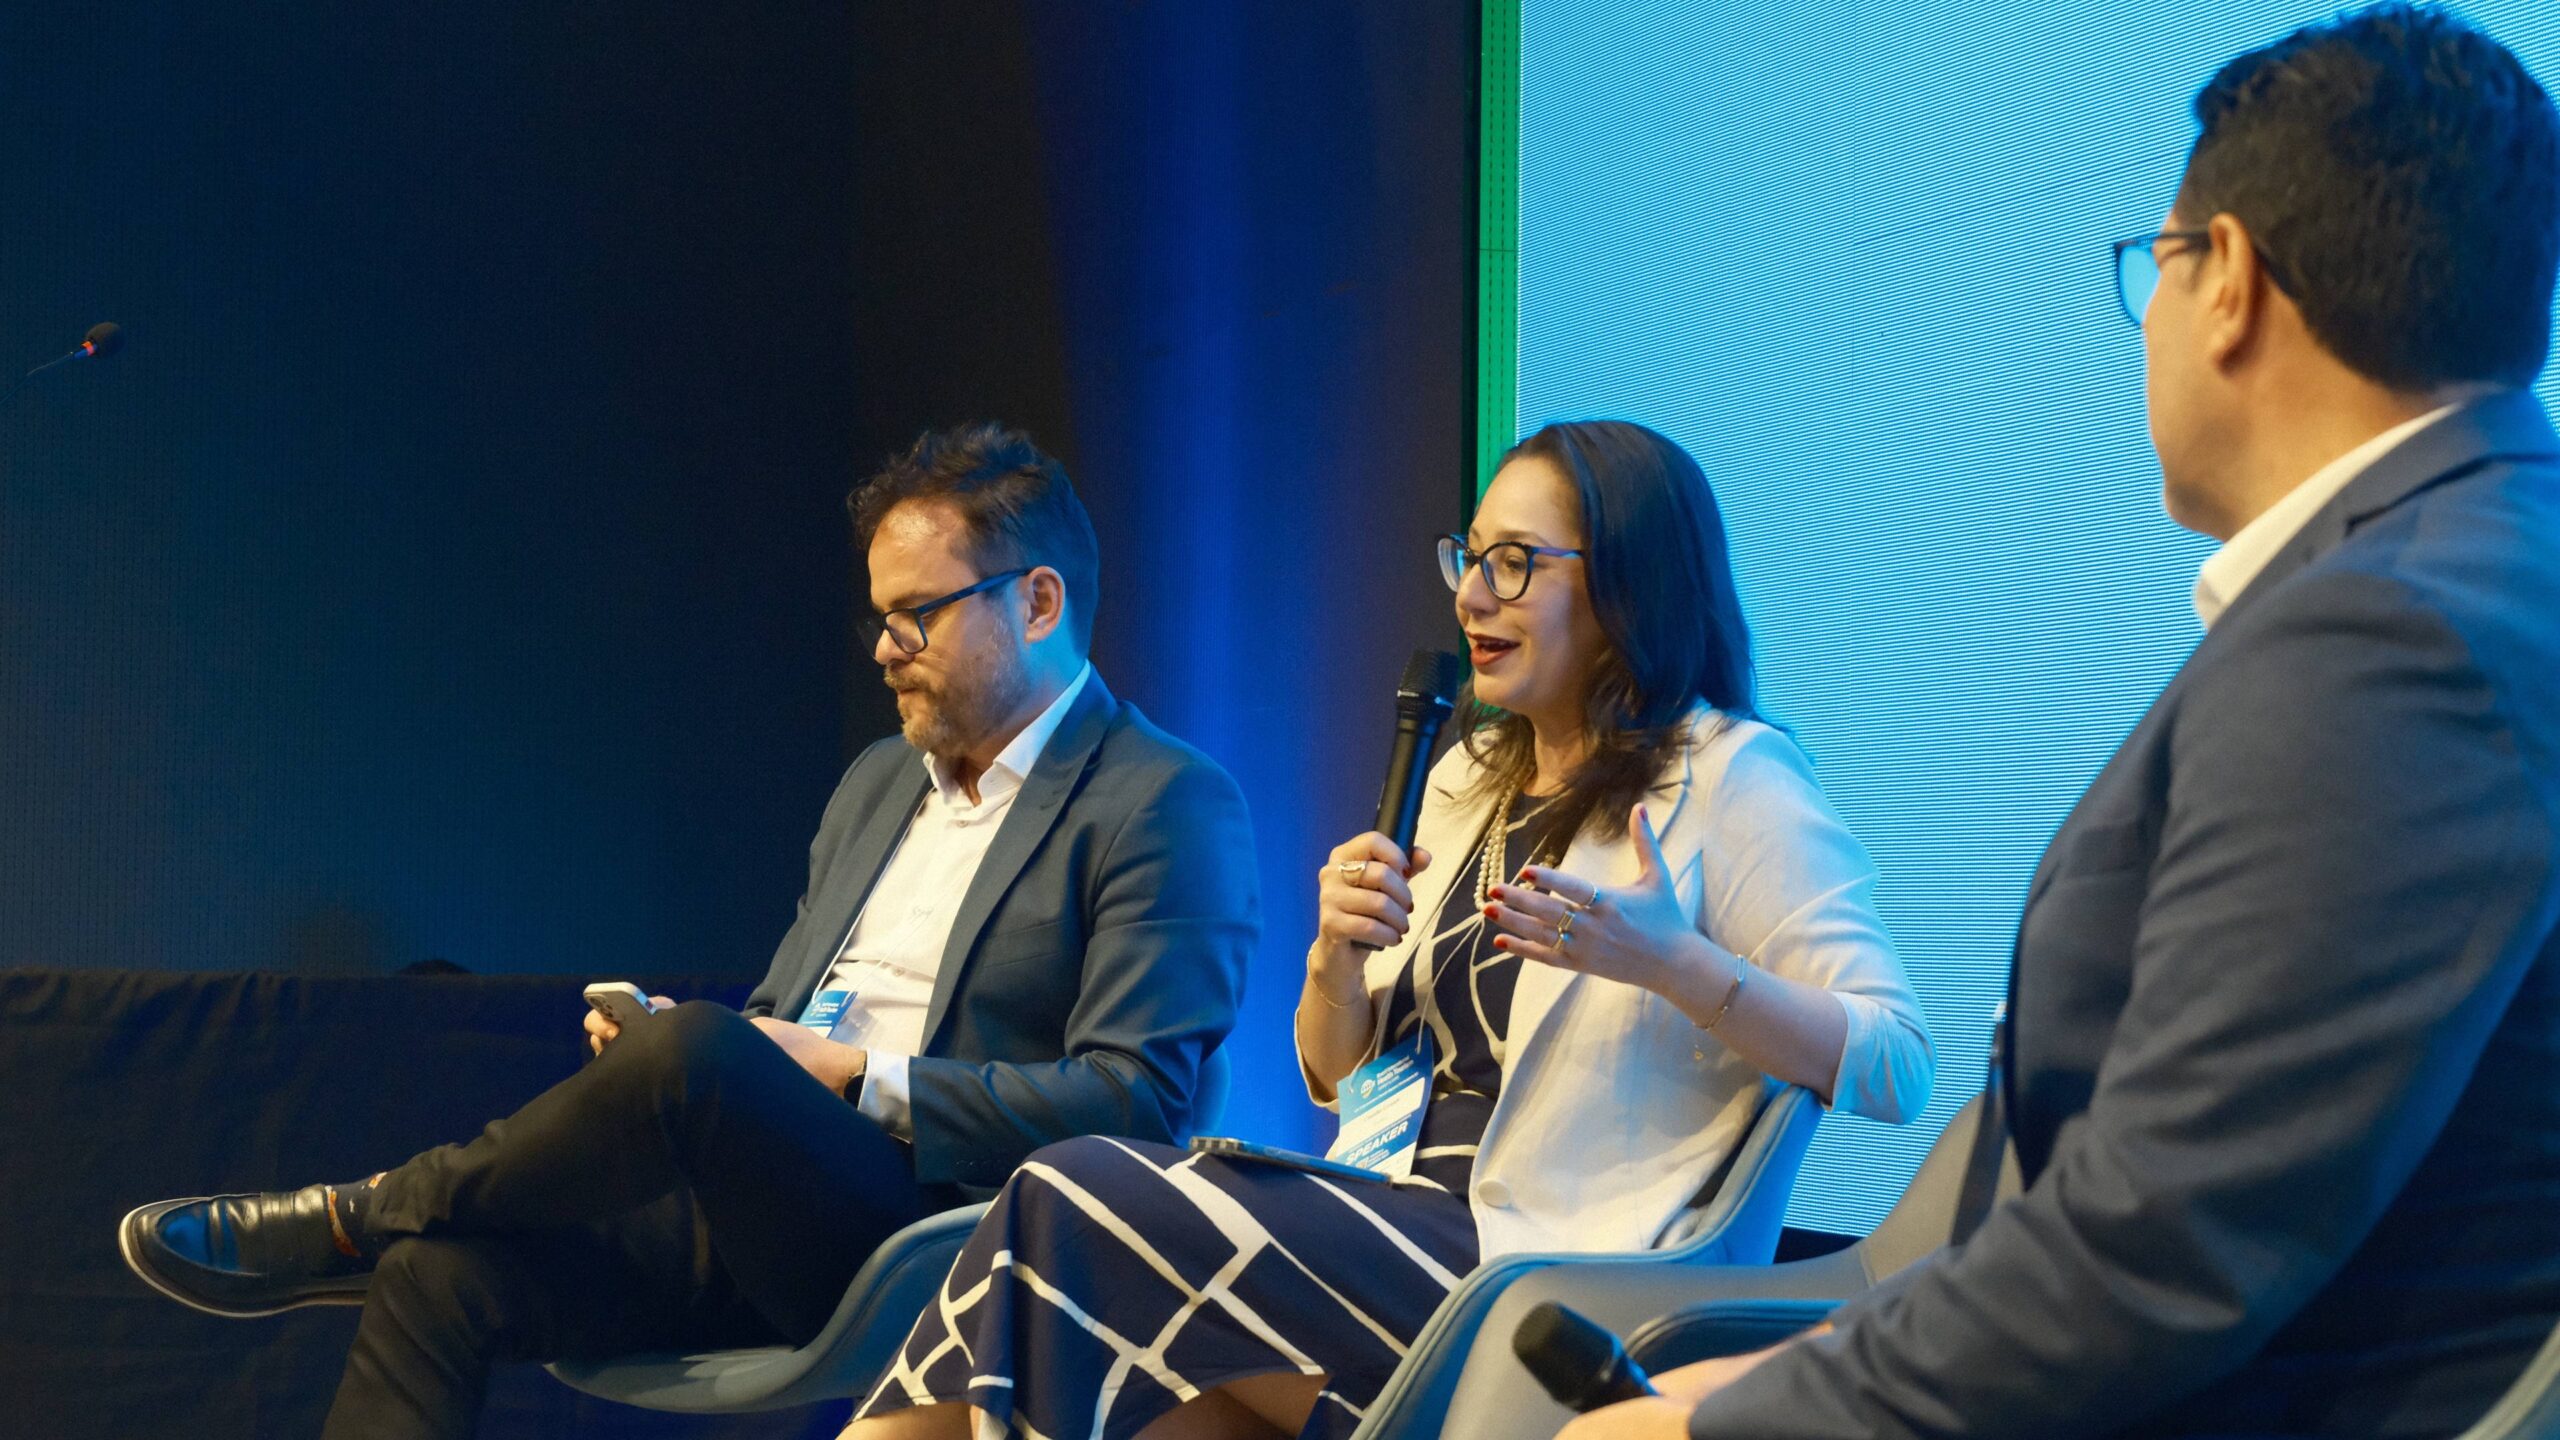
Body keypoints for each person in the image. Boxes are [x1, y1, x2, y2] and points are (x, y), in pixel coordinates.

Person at [1562, 7, 2560, 1438]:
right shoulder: (2481, 568)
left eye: (2155, 265)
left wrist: (1721, 1427)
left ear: (2228, 281)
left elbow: (2162, 1248)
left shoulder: (2382, 636)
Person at [115, 423, 1261, 1440]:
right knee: (437, 1275)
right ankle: (396, 1227)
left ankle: (356, 1213)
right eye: (879, 619)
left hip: (932, 1231)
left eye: (916, 615)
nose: (883, 648)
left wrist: (850, 1076)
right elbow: (779, 1017)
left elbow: (1136, 1103)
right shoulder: (877, 781)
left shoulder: (1162, 800)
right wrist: (699, 1053)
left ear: (1039, 603)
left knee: (699, 1050)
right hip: (754, 1209)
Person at [842, 418, 1936, 1440]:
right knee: (1076, 1318)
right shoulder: (1468, 776)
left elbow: (1897, 1062)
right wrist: (1336, 959)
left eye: (1516, 564)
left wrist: (1675, 964)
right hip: (1388, 1217)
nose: (1473, 596)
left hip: (1540, 1269)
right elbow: (1334, 1076)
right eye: (1470, 557)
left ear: (1626, 586)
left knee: (1070, 1194)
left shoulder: (1733, 778)